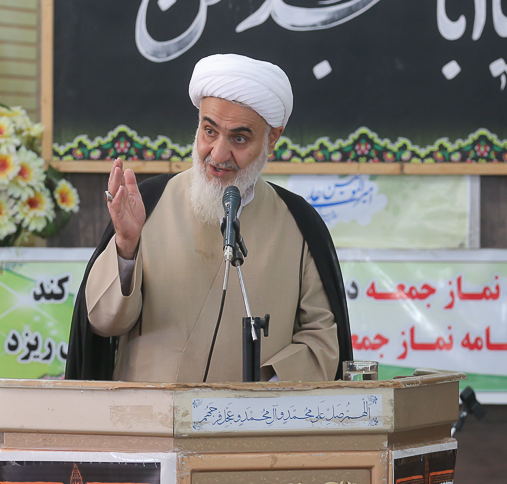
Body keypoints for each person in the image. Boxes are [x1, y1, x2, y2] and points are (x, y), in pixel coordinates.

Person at [65, 54, 352, 382]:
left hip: (252, 414)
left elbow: (322, 341)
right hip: (147, 413)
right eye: (210, 131)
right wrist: (126, 247)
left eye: (239, 138)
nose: (218, 153)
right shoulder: (149, 204)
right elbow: (103, 322)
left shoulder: (298, 224)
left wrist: (263, 390)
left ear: (272, 138)